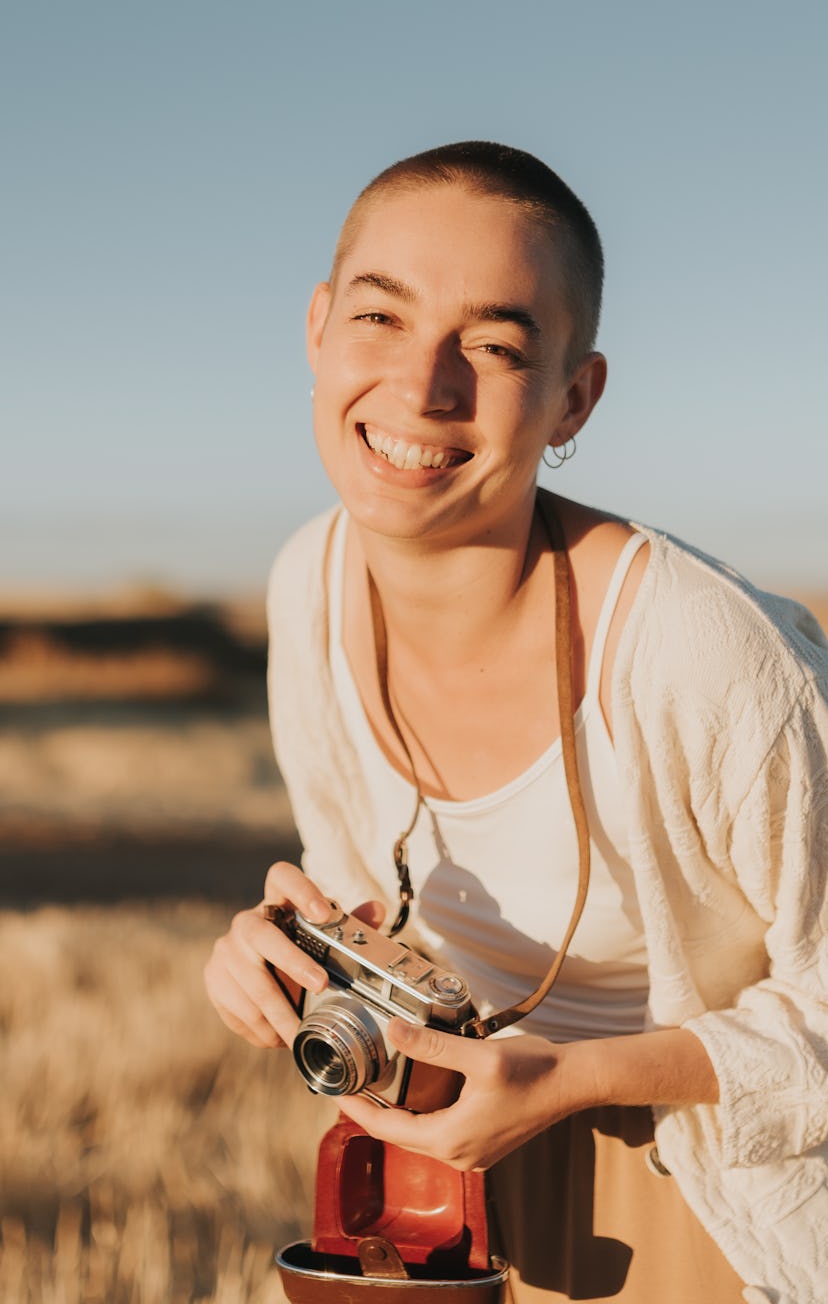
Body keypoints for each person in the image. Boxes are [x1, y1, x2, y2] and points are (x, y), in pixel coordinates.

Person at [204, 142, 828, 1303]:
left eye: (493, 346)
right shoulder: (309, 580)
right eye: (380, 317)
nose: (422, 387)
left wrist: (573, 1078)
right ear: (318, 329)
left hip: (706, 1192)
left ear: (573, 397)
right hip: (438, 1183)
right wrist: (286, 955)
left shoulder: (703, 653)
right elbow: (367, 898)